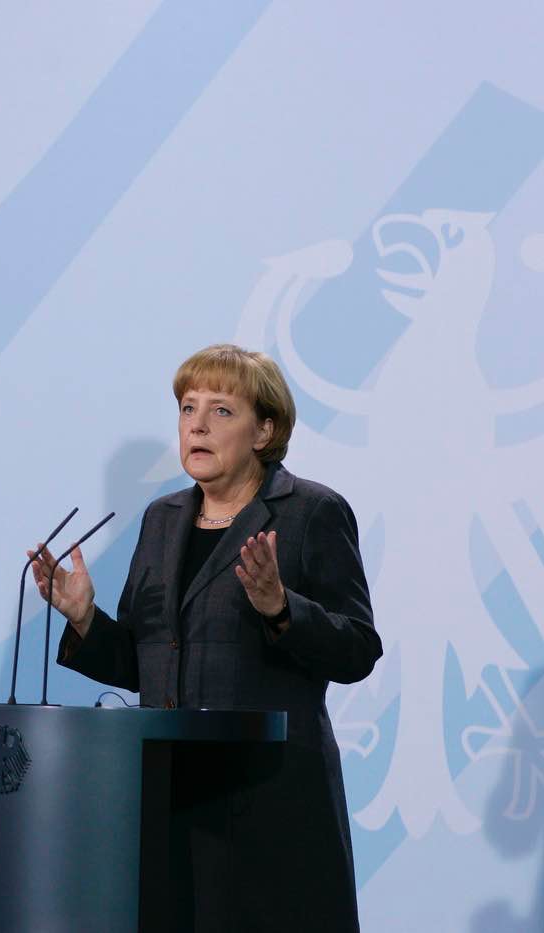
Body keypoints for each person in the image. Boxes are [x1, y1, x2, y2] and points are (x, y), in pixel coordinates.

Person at [30, 343, 380, 931]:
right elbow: (147, 662)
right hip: (167, 797)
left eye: (220, 410)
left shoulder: (311, 513)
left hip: (269, 802)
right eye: (188, 407)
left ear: (264, 430)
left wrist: (281, 608)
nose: (196, 423)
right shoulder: (162, 518)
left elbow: (358, 650)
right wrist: (85, 621)